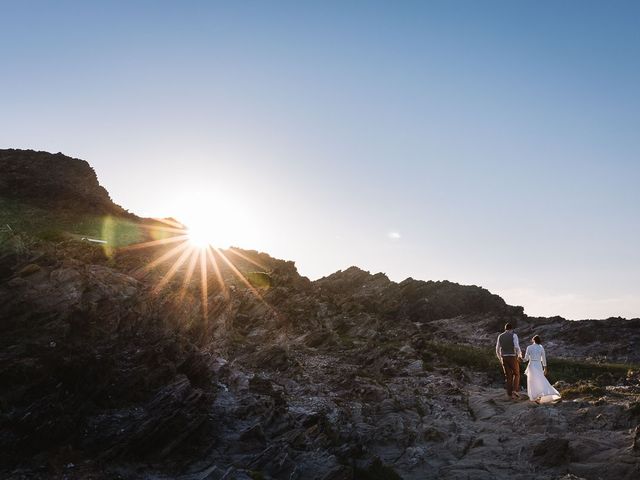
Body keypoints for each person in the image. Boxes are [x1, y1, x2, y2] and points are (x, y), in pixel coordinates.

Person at [523, 335, 561, 403]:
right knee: (540, 380)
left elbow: (526, 359)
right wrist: (545, 368)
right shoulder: (541, 348)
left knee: (532, 381)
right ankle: (540, 396)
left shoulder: (529, 347)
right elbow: (543, 359)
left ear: (533, 340)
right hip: (538, 365)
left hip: (531, 365)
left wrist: (521, 359)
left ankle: (535, 397)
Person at [495, 323, 523, 399]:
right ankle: (515, 390)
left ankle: (509, 394)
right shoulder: (514, 335)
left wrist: (500, 358)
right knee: (516, 373)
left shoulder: (500, 336)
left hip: (504, 357)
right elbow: (517, 347)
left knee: (508, 376)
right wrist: (520, 355)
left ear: (505, 328)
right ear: (511, 329)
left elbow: (497, 349)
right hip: (512, 357)